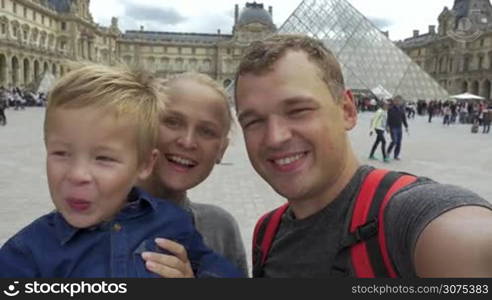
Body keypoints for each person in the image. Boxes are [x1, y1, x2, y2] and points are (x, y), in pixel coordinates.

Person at [234, 34, 492, 278]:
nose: (275, 137)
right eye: (253, 121)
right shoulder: (265, 234)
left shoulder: (408, 220)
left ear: (347, 110)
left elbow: (467, 238)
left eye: (298, 110)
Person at [0, 64, 241, 278]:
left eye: (103, 158)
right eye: (172, 121)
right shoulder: (29, 250)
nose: (78, 175)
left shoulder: (191, 225)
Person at [138, 72, 248, 277]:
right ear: (143, 125)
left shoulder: (221, 229)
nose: (187, 142)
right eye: (172, 122)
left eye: (207, 131)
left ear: (221, 150)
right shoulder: (77, 224)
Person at [386, 96, 408, 160]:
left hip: (399, 127)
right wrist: (387, 126)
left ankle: (396, 155)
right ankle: (388, 152)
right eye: (396, 100)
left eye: (399, 101)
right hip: (393, 127)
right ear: (394, 101)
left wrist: (406, 126)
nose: (398, 102)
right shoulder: (391, 109)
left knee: (399, 142)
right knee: (394, 141)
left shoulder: (402, 109)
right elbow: (388, 118)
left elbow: (404, 118)